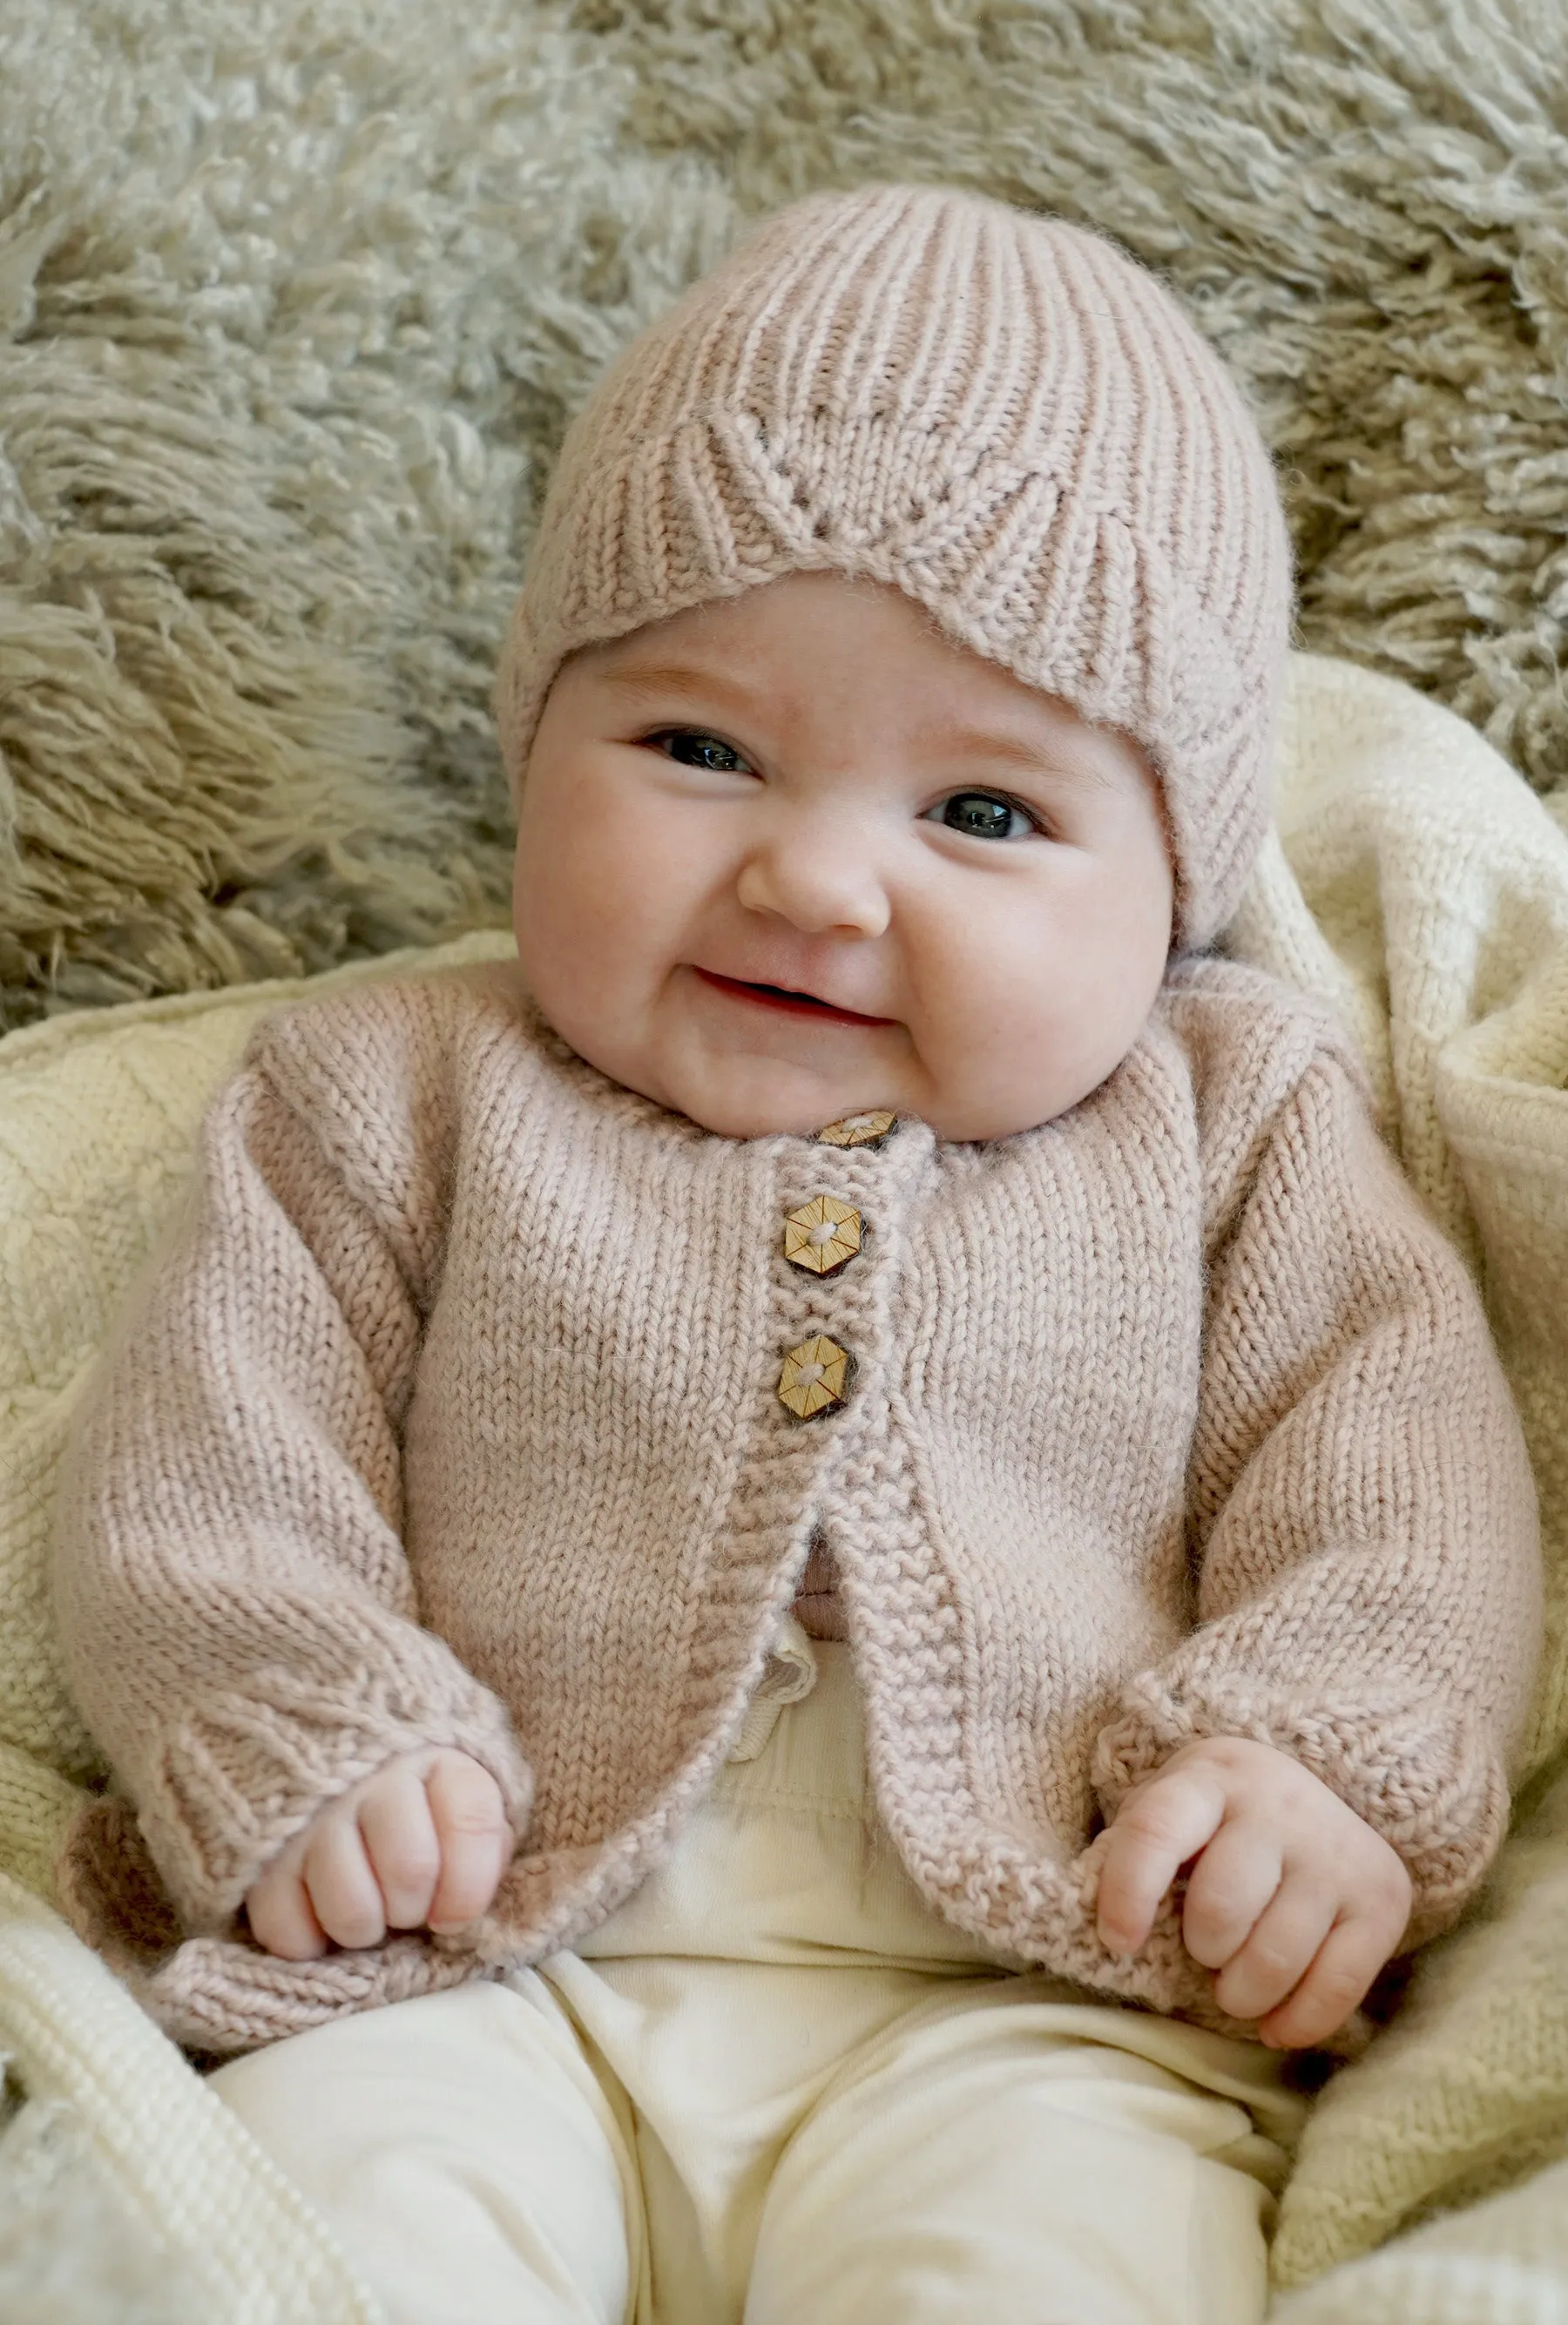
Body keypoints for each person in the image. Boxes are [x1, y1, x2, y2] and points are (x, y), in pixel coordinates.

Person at [50, 186, 1541, 2325]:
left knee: (1047, 2276)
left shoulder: (1233, 1125)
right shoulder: (387, 1089)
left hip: (1043, 2005)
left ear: (1175, 888)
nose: (820, 878)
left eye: (990, 816)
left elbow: (1395, 1472)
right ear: (532, 745)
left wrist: (1319, 1756)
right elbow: (211, 1456)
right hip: (467, 1972)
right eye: (698, 749)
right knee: (308, 2244)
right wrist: (308, 1732)